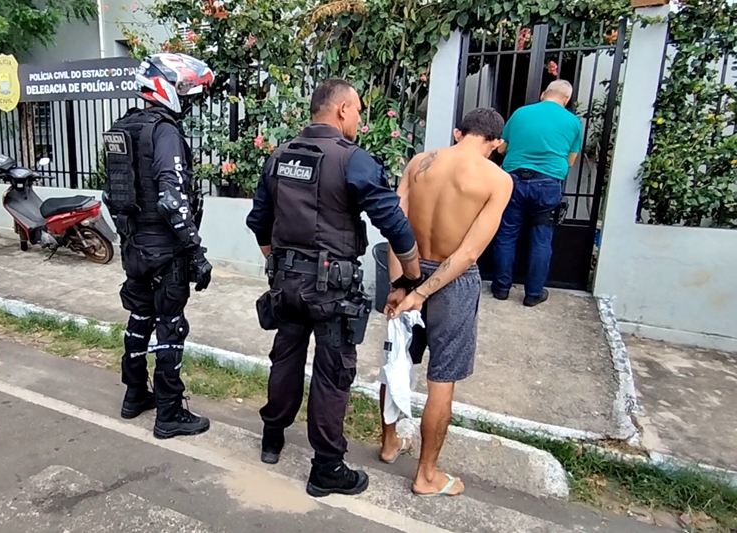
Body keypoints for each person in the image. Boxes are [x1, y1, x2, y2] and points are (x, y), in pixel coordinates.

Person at [246, 79, 424, 498]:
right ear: (342, 109)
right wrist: (410, 278)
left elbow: (259, 221)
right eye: (358, 110)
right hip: (331, 291)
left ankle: (272, 437)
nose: (359, 119)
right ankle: (326, 468)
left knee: (285, 358)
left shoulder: (279, 156)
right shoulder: (351, 160)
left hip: (287, 284)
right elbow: (394, 224)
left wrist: (278, 263)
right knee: (332, 374)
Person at [384, 108, 513, 497]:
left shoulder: (419, 163)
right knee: (441, 379)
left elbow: (395, 228)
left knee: (397, 360)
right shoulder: (497, 179)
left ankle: (389, 444)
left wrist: (401, 284)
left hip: (409, 267)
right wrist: (423, 293)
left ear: (459, 133)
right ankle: (426, 475)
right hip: (452, 281)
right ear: (496, 143)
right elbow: (469, 252)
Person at [102, 53, 216, 440]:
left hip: (134, 245)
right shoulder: (164, 132)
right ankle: (169, 413)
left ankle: (134, 395)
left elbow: (112, 193)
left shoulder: (123, 127)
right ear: (166, 88)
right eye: (184, 90)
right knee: (170, 327)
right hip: (166, 249)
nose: (187, 98)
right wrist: (195, 251)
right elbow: (172, 199)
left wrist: (129, 235)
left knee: (139, 318)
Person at [491, 79, 582, 306]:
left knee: (506, 234)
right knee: (541, 239)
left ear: (543, 94)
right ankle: (533, 294)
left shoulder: (520, 113)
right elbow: (571, 161)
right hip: (548, 184)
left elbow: (501, 148)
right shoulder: (573, 122)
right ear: (566, 99)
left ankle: (501, 289)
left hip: (513, 181)